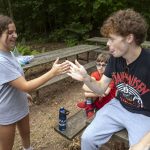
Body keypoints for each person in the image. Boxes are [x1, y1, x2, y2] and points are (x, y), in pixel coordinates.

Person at [67, 9, 150, 150]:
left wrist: (143, 143)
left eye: (112, 39)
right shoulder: (115, 59)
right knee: (87, 138)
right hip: (118, 106)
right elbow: (100, 88)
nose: (107, 43)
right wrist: (86, 78)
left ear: (129, 38)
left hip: (144, 115)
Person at [0, 15, 70, 150]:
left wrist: (23, 94)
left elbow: (17, 78)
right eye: (9, 32)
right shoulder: (1, 60)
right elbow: (26, 85)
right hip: (6, 111)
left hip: (20, 104)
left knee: (26, 135)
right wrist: (52, 72)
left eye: (15, 31)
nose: (15, 35)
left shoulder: (10, 53)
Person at [77, 52, 116, 118]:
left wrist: (87, 94)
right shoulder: (95, 73)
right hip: (99, 97)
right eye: (98, 65)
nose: (100, 68)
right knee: (92, 86)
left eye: (103, 65)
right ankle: (89, 107)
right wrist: (96, 91)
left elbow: (106, 93)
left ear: (109, 66)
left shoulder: (111, 76)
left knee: (92, 88)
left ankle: (88, 103)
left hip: (108, 100)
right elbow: (84, 86)